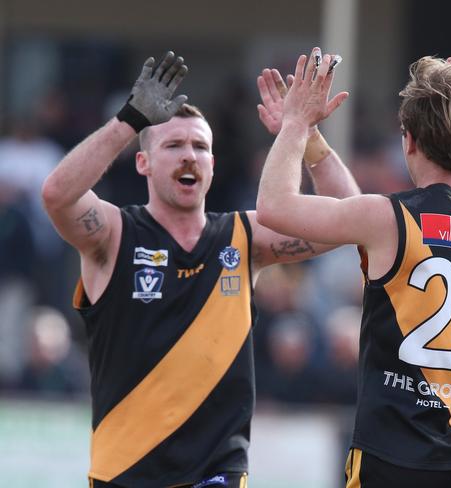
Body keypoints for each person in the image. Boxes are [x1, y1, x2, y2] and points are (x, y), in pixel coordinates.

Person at [41, 50, 359, 488]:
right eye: (173, 145)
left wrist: (306, 135)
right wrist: (129, 122)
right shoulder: (113, 233)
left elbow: (347, 218)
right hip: (124, 474)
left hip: (218, 474)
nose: (189, 156)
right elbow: (58, 194)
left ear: (213, 165)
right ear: (143, 162)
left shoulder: (245, 237)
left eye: (200, 147)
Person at [256, 50, 451, 487]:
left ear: (408, 140)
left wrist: (297, 123)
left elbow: (274, 207)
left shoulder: (387, 218)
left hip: (393, 455)